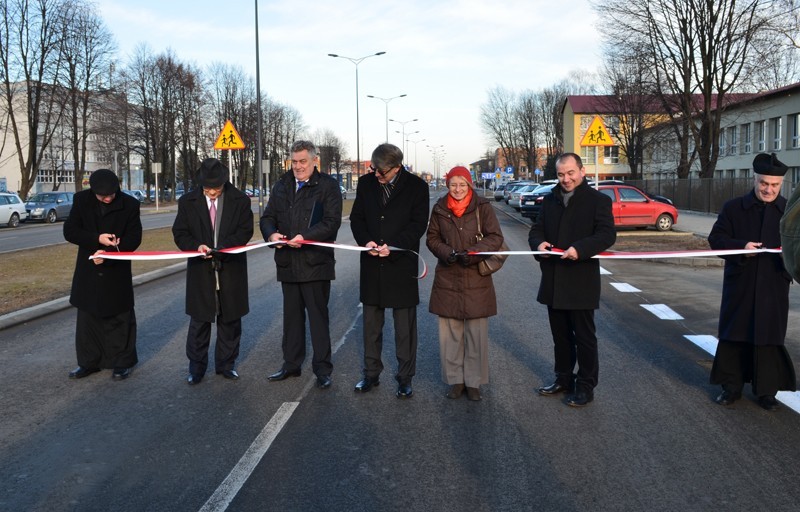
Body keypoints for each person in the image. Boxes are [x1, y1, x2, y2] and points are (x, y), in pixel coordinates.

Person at [709, 152, 797, 411]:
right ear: (754, 179)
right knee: (735, 334)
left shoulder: (789, 213)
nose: (768, 190)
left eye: (774, 185)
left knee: (769, 337)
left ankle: (766, 392)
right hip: (741, 284)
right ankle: (731, 388)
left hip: (774, 285)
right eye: (763, 184)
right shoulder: (734, 208)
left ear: (782, 185)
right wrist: (740, 248)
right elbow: (716, 239)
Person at [528, 152, 616, 407]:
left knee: (584, 338)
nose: (565, 179)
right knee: (561, 336)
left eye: (570, 173)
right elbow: (537, 229)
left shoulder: (598, 200)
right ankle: (563, 378)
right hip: (554, 279)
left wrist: (581, 248)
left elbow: (607, 235)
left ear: (582, 171)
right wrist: (538, 244)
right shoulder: (550, 199)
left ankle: (585, 385)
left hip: (581, 281)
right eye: (560, 174)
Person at [260, 140, 342, 389]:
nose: (298, 166)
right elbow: (267, 217)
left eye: (302, 161)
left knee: (318, 319)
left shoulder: (327, 186)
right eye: (294, 161)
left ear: (314, 161)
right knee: (291, 319)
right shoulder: (282, 185)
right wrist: (271, 235)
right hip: (287, 263)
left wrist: (305, 238)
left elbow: (331, 223)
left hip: (315, 263)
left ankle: (322, 369)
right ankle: (291, 365)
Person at [350, 143, 430, 398]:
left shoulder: (417, 187)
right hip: (372, 264)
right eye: (374, 169)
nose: (376, 174)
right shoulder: (365, 184)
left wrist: (394, 247)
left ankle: (405, 377)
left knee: (404, 328)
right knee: (371, 326)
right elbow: (357, 219)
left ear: (397, 167)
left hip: (401, 266)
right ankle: (370, 374)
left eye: (381, 172)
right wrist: (366, 243)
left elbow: (418, 225)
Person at [172, 158, 253, 385]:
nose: (212, 192)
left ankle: (226, 365)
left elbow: (245, 231)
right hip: (201, 270)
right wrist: (196, 247)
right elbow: (180, 233)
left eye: (216, 188)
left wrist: (224, 248)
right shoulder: (188, 202)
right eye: (208, 189)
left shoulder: (239, 200)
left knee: (230, 320)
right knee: (199, 322)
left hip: (230, 268)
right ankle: (196, 368)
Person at [426, 166, 504, 401]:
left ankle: (473, 382)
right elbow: (431, 238)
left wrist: (474, 252)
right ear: (447, 185)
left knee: (475, 335)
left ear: (469, 185)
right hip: (448, 277)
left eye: (462, 184)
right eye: (453, 184)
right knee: (451, 335)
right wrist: (446, 252)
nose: (457, 189)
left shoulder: (483, 207)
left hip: (476, 278)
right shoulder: (439, 208)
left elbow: (495, 237)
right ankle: (456, 381)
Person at [63, 168, 142, 380]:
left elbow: (135, 238)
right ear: (93, 192)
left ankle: (121, 362)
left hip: (116, 268)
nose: (108, 198)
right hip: (88, 268)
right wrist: (97, 239)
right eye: (102, 196)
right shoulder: (81, 200)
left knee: (119, 317)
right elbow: (70, 231)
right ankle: (88, 362)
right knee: (88, 318)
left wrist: (110, 251)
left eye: (111, 194)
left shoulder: (130, 204)